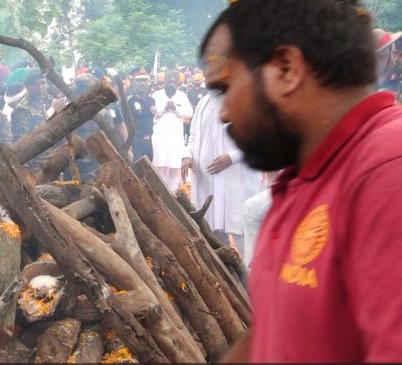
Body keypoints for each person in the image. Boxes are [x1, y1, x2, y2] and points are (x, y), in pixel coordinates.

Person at [202, 0, 402, 362]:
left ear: (286, 68)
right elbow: (277, 331)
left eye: (228, 87)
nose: (225, 113)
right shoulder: (302, 180)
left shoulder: (389, 170)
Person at [181, 94, 261, 254]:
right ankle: (229, 275)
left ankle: (252, 276)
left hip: (235, 177)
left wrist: (231, 157)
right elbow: (194, 135)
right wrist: (187, 156)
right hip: (207, 181)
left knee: (241, 230)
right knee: (212, 231)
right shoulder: (204, 102)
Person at [151, 70, 193, 191]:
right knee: (160, 164)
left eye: (174, 82)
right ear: (164, 82)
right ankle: (158, 191)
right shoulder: (156, 95)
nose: (171, 84)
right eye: (169, 81)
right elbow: (152, 112)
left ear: (178, 84)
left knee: (175, 166)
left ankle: (173, 193)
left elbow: (189, 113)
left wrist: (176, 109)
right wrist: (164, 109)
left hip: (175, 136)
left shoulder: (181, 95)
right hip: (160, 136)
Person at [128, 73, 156, 161]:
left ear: (148, 83)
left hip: (149, 142)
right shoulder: (130, 102)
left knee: (149, 169)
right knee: (136, 169)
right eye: (139, 81)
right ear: (134, 83)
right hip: (136, 142)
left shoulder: (151, 100)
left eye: (144, 81)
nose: (142, 84)